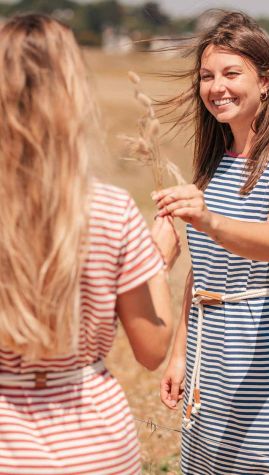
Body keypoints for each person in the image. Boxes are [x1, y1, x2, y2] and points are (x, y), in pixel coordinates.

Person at [0, 13, 179, 475]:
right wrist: (156, 263)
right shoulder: (111, 209)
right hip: (96, 443)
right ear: (71, 96)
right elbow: (152, 348)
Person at [154, 11, 269, 475]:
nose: (217, 87)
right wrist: (179, 356)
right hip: (210, 360)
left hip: (268, 363)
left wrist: (206, 219)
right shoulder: (214, 161)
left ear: (265, 81)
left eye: (232, 73)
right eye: (207, 76)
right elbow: (203, 270)